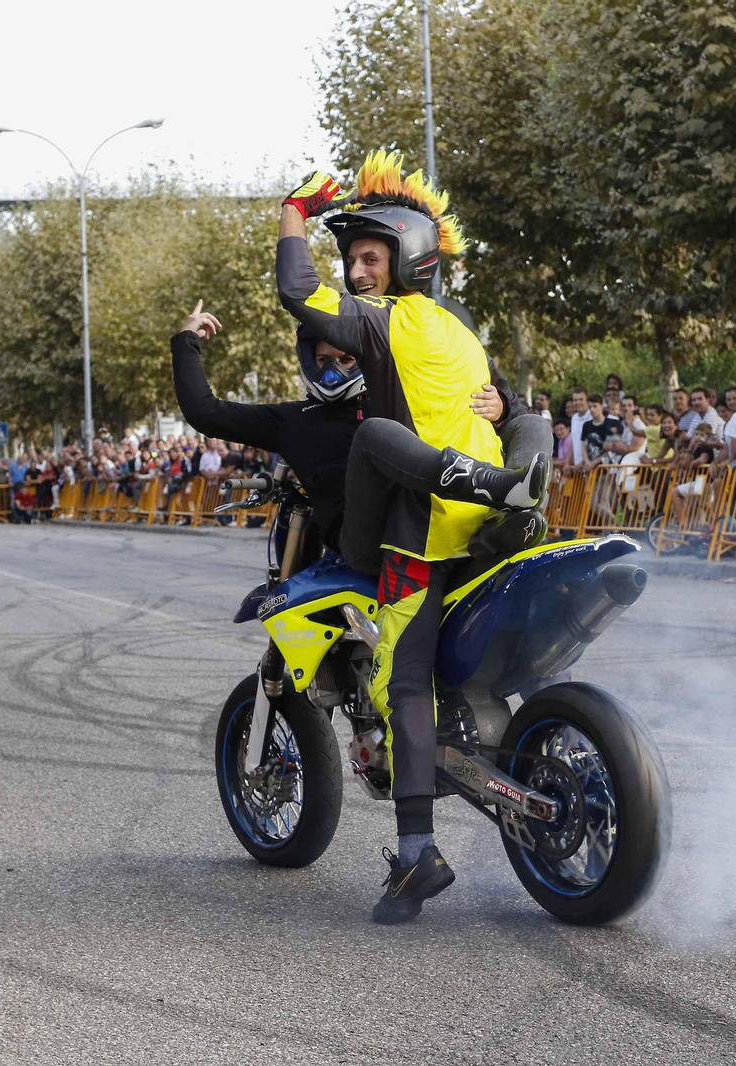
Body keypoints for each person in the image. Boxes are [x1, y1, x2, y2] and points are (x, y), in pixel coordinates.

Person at [275, 154, 551, 923]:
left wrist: (296, 213)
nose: (357, 272)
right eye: (352, 260)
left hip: (416, 535)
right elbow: (510, 401)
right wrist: (503, 412)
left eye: (369, 257)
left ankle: (417, 853)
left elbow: (298, 292)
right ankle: (512, 490)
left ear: (407, 255)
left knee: (405, 682)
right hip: (491, 526)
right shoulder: (459, 330)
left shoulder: (379, 321)